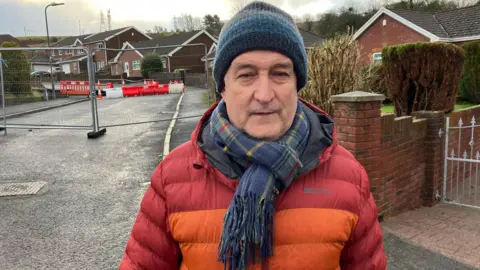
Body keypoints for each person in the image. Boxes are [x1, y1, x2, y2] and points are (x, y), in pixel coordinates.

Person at [119, 1, 387, 269]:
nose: (264, 95)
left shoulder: (349, 178)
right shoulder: (171, 179)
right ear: (223, 88)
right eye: (246, 75)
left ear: (297, 84)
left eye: (280, 73)